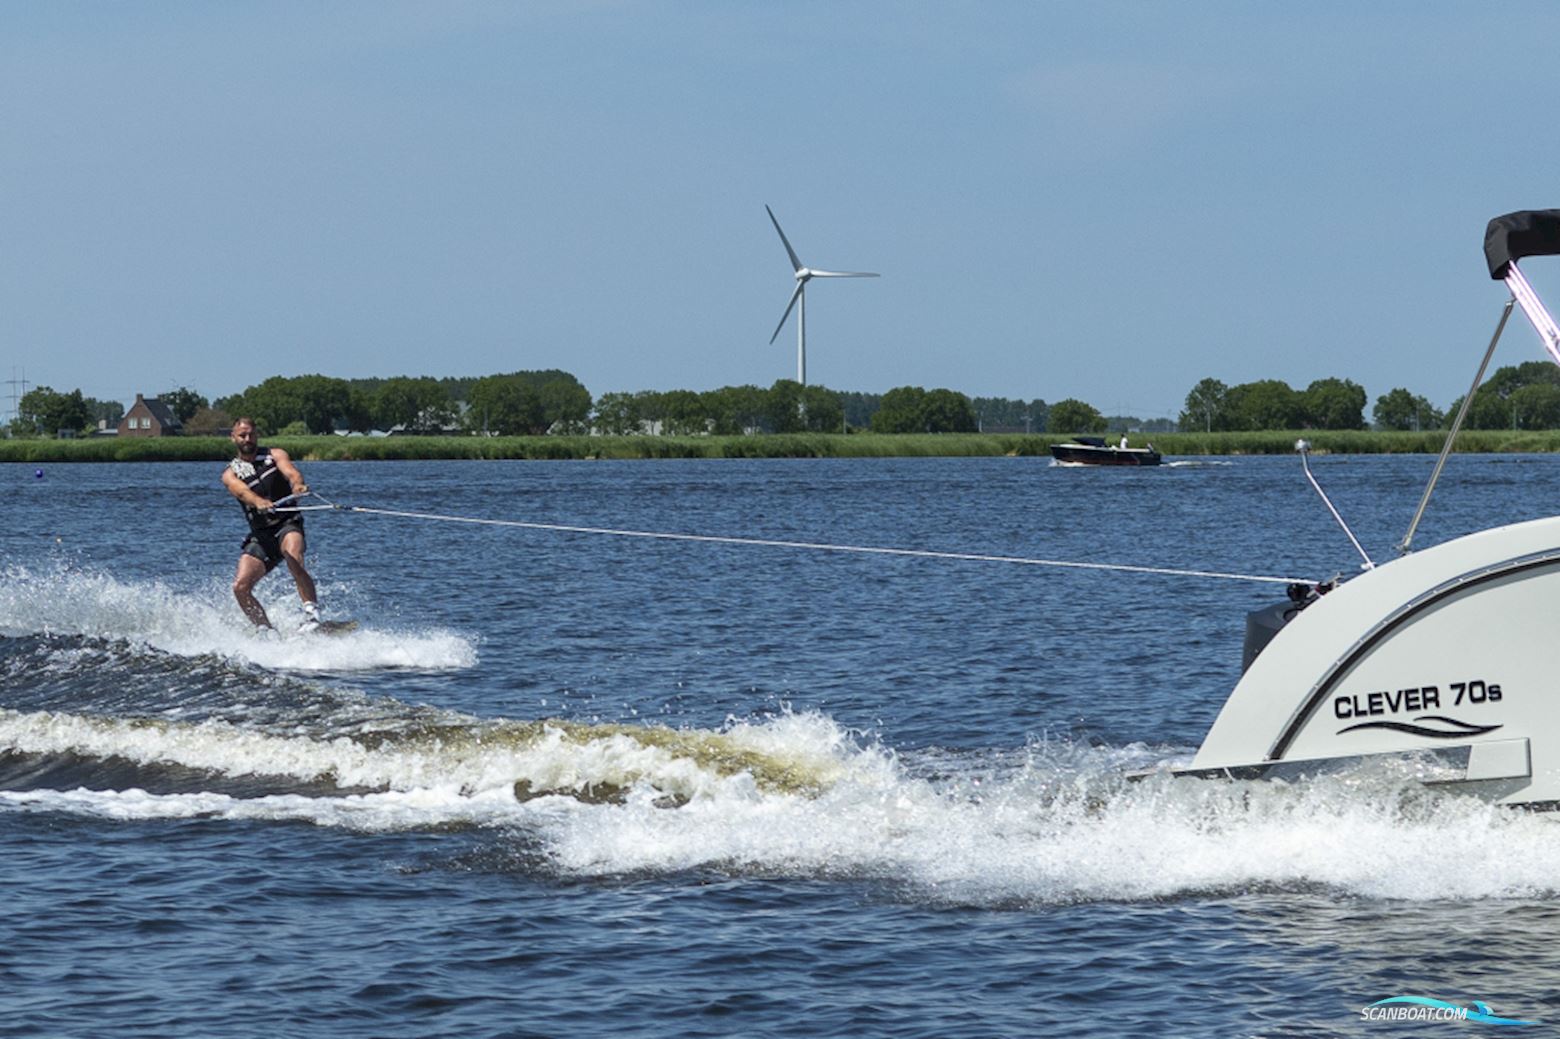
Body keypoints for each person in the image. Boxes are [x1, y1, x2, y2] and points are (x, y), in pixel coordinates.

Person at [222, 417, 321, 632]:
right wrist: (259, 502)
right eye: (242, 435)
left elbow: (292, 473)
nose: (247, 439)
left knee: (292, 555)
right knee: (240, 587)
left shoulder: (275, 455)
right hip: (261, 534)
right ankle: (267, 631)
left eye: (251, 434)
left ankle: (312, 615)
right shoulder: (230, 474)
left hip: (287, 523)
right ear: (233, 438)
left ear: (257, 435)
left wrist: (297, 486)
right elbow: (242, 492)